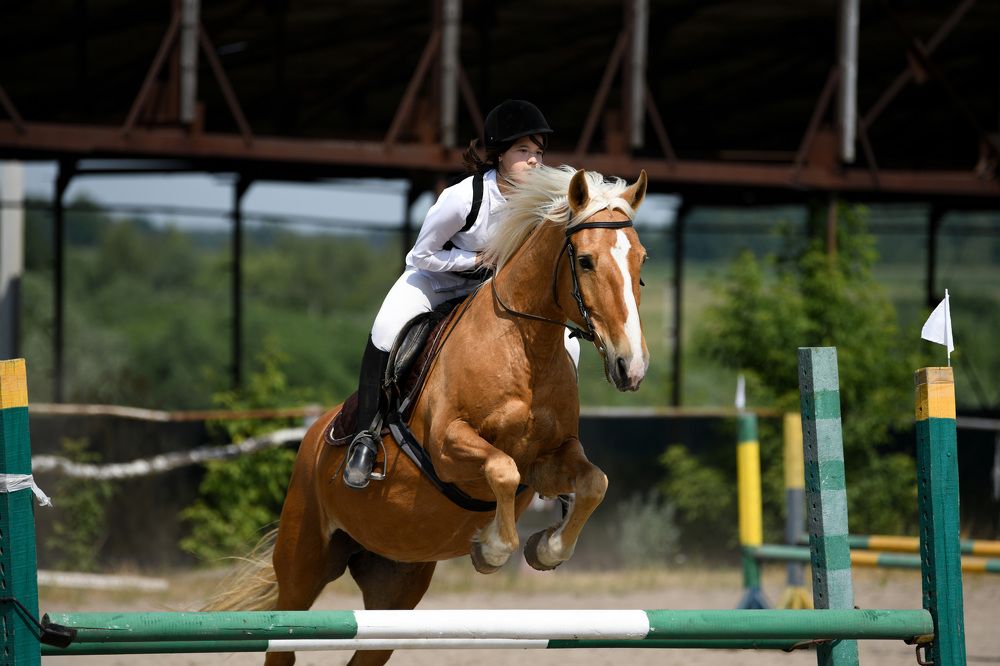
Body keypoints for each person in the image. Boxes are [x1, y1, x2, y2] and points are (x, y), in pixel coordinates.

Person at [343, 99, 571, 489]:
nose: (534, 161)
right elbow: (421, 254)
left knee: (568, 342)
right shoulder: (463, 198)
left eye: (537, 153)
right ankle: (365, 436)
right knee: (384, 329)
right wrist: (476, 260)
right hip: (433, 282)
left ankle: (559, 446)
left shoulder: (544, 202)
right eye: (523, 151)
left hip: (490, 294)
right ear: (499, 155)